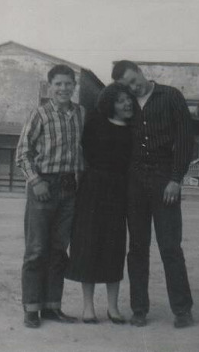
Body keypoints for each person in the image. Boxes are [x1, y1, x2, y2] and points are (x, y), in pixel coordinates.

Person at [112, 60, 194, 329]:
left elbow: (184, 138)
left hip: (164, 179)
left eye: (134, 81)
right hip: (134, 182)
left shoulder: (171, 96)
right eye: (127, 86)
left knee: (170, 246)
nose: (134, 88)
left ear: (140, 71)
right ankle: (139, 309)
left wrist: (175, 179)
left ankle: (182, 310)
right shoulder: (127, 104)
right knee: (137, 249)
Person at [16, 64, 85, 329]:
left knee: (59, 250)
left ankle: (52, 307)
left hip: (69, 188)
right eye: (58, 84)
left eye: (68, 84)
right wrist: (36, 181)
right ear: (50, 86)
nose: (64, 88)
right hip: (43, 186)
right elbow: (22, 153)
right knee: (36, 249)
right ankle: (31, 308)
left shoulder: (80, 114)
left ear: (74, 86)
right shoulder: (40, 114)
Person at [65, 83, 135, 324]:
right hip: (93, 189)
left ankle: (113, 308)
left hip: (119, 191)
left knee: (114, 247)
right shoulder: (95, 123)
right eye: (120, 100)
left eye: (129, 99)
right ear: (110, 104)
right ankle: (88, 308)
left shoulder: (133, 128)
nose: (127, 103)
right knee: (88, 245)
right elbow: (83, 152)